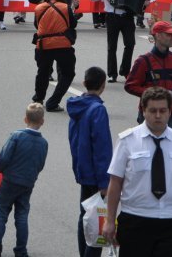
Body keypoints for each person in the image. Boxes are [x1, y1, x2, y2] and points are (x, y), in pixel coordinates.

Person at [102, 87, 172, 256]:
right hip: (136, 221)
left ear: (170, 111)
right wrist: (109, 221)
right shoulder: (127, 141)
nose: (158, 115)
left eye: (163, 110)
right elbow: (115, 183)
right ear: (143, 111)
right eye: (152, 110)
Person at [0, 103, 48, 257]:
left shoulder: (16, 136)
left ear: (25, 119)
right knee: (21, 215)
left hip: (9, 181)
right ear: (42, 121)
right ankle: (21, 250)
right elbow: (40, 164)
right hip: (27, 183)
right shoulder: (43, 143)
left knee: (1, 212)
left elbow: (4, 158)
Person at [67, 67, 113, 257]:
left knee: (84, 216)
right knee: (98, 221)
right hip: (96, 175)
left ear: (84, 83)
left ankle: (82, 252)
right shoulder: (98, 110)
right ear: (103, 86)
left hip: (82, 171)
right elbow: (102, 148)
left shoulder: (76, 107)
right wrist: (105, 182)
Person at [124, 21, 172, 131]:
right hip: (148, 112)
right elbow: (130, 86)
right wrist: (153, 95)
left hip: (171, 113)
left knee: (171, 148)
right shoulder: (142, 61)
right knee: (146, 147)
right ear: (158, 36)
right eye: (169, 34)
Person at [32, 0, 80, 112]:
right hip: (62, 44)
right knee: (68, 73)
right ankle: (53, 102)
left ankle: (38, 99)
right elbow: (73, 24)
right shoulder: (65, 7)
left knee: (42, 73)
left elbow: (37, 25)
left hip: (43, 45)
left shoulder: (38, 8)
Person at [89, 0, 136, 81]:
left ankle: (125, 71)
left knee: (130, 44)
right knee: (112, 46)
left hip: (127, 16)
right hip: (112, 16)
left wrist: (143, 2)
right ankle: (112, 74)